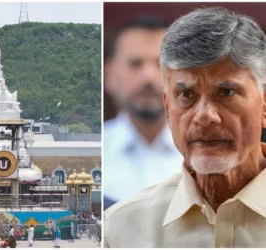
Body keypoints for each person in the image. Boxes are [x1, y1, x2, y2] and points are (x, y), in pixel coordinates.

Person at [104, 7, 266, 247]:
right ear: (168, 107)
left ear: (263, 105)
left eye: (226, 92)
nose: (204, 116)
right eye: (186, 94)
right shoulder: (119, 229)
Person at [104, 15, 183, 209]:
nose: (148, 76)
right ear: (110, 75)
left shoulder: (211, 153)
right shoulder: (96, 154)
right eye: (135, 64)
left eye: (160, 64)